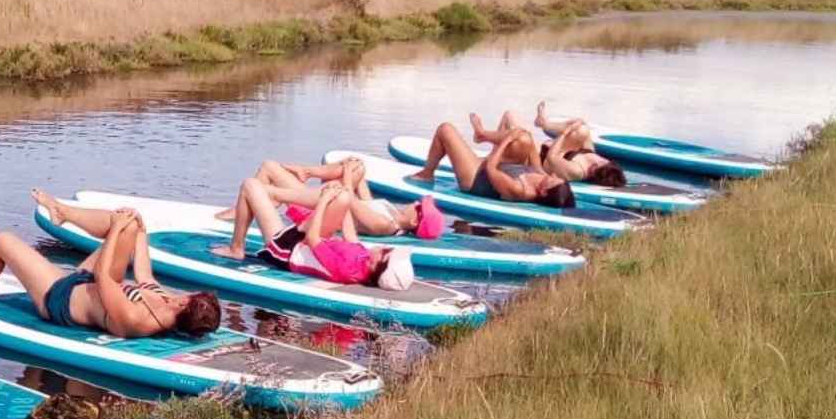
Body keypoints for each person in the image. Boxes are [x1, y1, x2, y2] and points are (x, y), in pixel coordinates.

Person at [0, 192, 221, 339]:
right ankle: (63, 212)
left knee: (2, 241)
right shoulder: (166, 301)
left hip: (59, 297)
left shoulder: (136, 319)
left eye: (189, 296)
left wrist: (115, 231)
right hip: (86, 283)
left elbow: (103, 276)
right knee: (128, 222)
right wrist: (139, 229)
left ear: (184, 304)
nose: (184, 294)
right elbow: (143, 272)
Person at [224, 183, 415, 291]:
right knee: (341, 197)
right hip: (304, 242)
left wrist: (323, 202)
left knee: (250, 186)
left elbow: (313, 238)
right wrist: (346, 198)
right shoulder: (364, 260)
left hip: (287, 249)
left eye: (386, 252)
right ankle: (276, 194)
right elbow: (350, 236)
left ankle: (236, 247)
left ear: (377, 266)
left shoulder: (348, 269)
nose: (384, 248)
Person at [217, 156, 444, 239]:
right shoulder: (390, 210)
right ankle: (306, 172)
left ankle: (245, 210)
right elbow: (362, 193)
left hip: (319, 212)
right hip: (325, 201)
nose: (415, 202)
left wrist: (347, 173)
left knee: (268, 169)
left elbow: (350, 202)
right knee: (359, 166)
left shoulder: (385, 224)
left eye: (419, 207)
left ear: (415, 221)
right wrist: (354, 169)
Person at [406, 117, 577, 208]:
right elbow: (534, 157)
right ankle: (483, 135)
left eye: (553, 179)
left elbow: (490, 168)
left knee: (445, 129)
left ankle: (427, 173)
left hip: (476, 177)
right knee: (524, 139)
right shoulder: (542, 178)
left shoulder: (518, 190)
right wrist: (527, 138)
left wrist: (507, 140)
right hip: (494, 165)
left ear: (544, 191)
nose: (552, 174)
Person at [526, 104, 629, 187]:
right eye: (602, 163)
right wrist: (579, 124)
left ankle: (542, 124)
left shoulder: (578, 171)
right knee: (581, 129)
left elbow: (551, 157)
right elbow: (586, 136)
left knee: (511, 115)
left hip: (540, 155)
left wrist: (566, 133)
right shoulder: (604, 163)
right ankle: (544, 123)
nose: (596, 163)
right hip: (558, 147)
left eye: (595, 167)